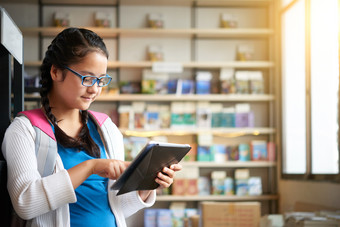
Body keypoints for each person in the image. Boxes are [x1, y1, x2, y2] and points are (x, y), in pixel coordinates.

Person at [1, 27, 182, 227]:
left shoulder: (106, 129)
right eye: (87, 78)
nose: (95, 89)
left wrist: (146, 187)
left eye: (101, 80)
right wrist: (91, 167)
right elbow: (25, 203)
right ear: (56, 72)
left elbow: (118, 208)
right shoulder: (24, 130)